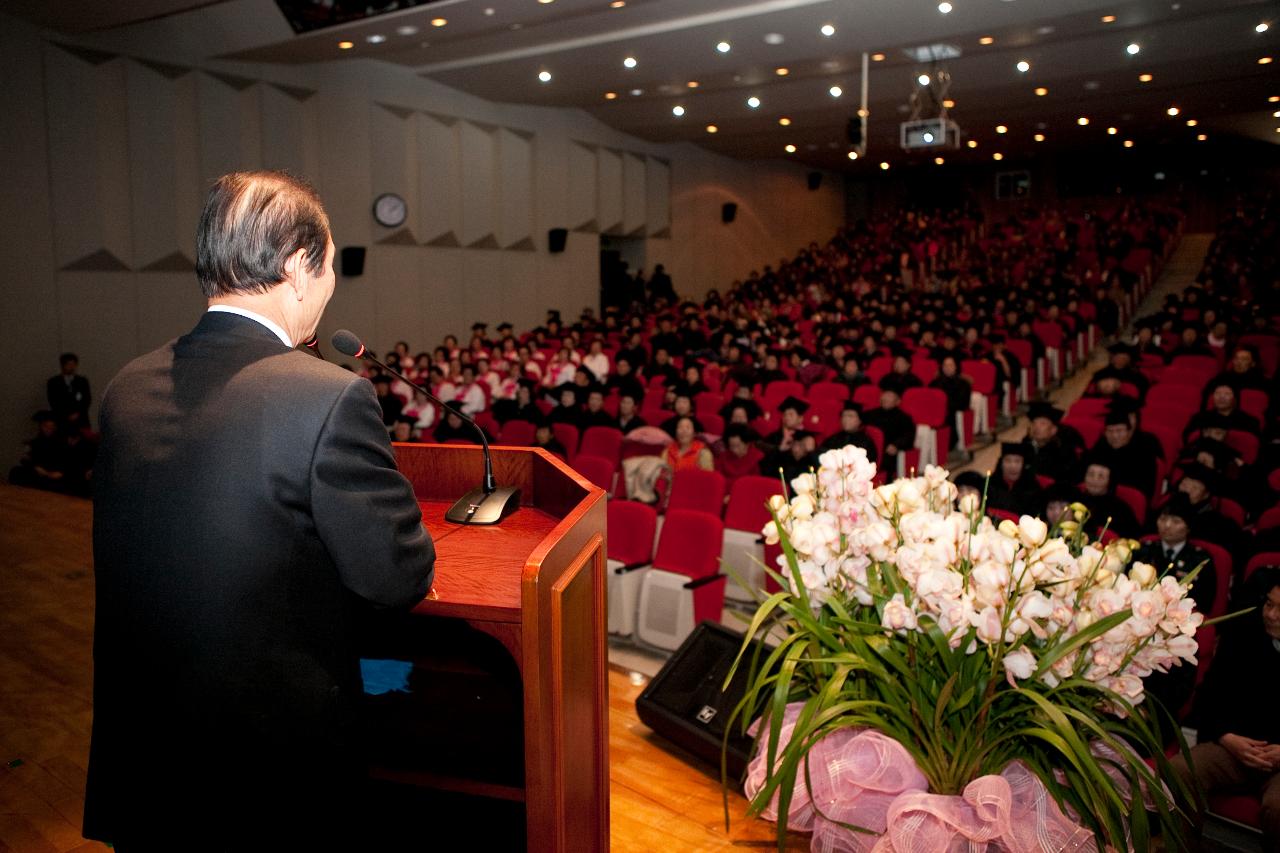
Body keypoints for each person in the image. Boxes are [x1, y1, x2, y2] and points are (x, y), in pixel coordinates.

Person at [86, 171, 435, 849]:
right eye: (331, 265)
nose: (332, 285)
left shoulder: (126, 387)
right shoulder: (327, 398)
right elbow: (395, 577)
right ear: (300, 268)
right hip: (265, 774)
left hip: (149, 757)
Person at [1171, 569, 1280, 851]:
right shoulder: (1243, 635)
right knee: (1180, 770)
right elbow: (1207, 698)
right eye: (1269, 604)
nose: (1271, 615)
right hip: (1235, 747)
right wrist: (1227, 738)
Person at [986, 443, 1042, 517]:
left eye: (1017, 461)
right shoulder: (989, 484)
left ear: (1023, 464)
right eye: (1008, 461)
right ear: (1001, 464)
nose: (1012, 466)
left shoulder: (1032, 486)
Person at [47, 352, 92, 429]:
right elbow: (53, 401)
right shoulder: (54, 382)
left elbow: (87, 399)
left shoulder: (82, 381)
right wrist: (66, 414)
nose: (72, 367)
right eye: (69, 365)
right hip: (62, 420)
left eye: (74, 365)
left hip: (81, 420)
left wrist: (78, 413)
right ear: (62, 366)